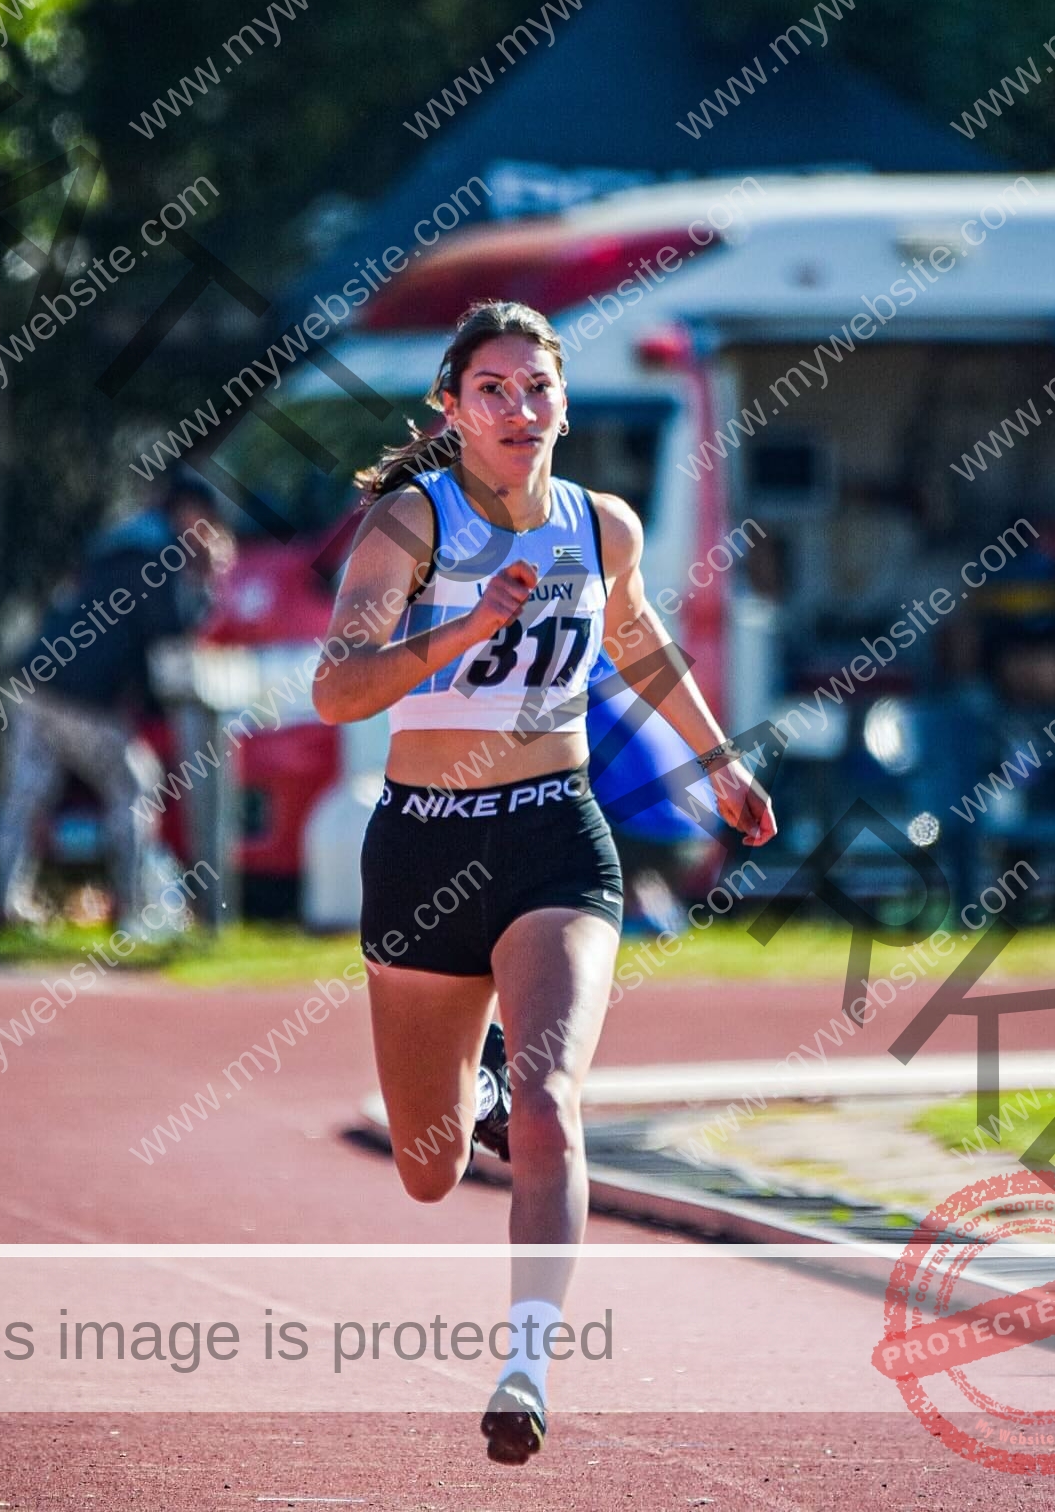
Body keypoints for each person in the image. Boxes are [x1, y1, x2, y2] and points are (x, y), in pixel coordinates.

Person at [312, 299, 776, 1465]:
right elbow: (337, 690)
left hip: (555, 836)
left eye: (538, 388)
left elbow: (635, 640)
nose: (521, 410)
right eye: (494, 391)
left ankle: (526, 1366)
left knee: (552, 1099)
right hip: (423, 845)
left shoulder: (600, 524)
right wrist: (462, 626)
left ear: (564, 400)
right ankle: (468, 1086)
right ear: (452, 409)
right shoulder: (409, 525)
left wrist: (719, 761)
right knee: (430, 1170)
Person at [0, 468, 234, 935]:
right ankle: (134, 910)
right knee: (135, 786)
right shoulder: (163, 551)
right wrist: (206, 584)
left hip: (35, 680)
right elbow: (169, 631)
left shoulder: (119, 538)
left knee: (24, 793)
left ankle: (1, 906)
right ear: (188, 510)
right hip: (82, 697)